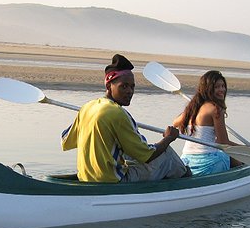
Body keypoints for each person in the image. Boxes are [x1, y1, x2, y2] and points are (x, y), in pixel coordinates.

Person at [61, 54, 190, 183]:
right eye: (124, 86)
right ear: (109, 86)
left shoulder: (87, 107)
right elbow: (148, 155)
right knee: (166, 153)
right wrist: (169, 138)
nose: (129, 91)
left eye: (132, 86)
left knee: (130, 156)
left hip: (85, 178)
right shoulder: (118, 113)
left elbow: (65, 140)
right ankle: (188, 183)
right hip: (112, 180)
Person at [172, 70, 244, 176]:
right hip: (208, 163)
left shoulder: (192, 109)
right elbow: (223, 141)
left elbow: (175, 122)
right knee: (231, 157)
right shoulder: (216, 109)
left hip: (186, 160)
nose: (222, 90)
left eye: (223, 86)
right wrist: (248, 149)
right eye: (216, 87)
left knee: (224, 153)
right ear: (208, 89)